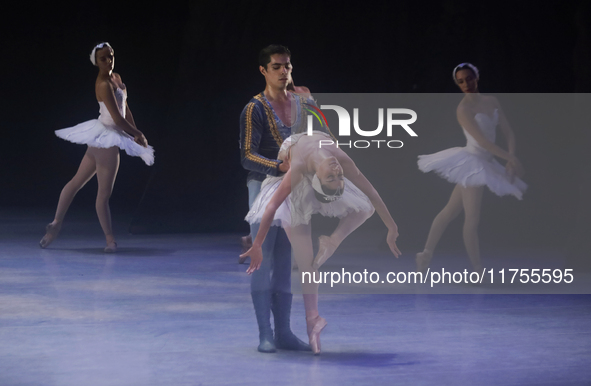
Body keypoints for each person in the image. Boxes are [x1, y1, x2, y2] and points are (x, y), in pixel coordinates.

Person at [240, 131, 401, 354]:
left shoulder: (303, 167)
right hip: (296, 177)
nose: (337, 171)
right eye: (338, 177)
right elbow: (371, 191)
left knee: (312, 261)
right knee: (307, 261)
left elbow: (272, 206)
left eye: (333, 177)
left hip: (295, 176)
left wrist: (391, 227)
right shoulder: (340, 160)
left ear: (317, 177)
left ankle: (331, 248)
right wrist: (392, 226)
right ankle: (312, 320)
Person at [239, 44, 327, 353]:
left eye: (287, 66)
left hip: (295, 188)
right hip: (262, 185)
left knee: (286, 260)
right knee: (263, 259)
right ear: (264, 70)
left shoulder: (300, 101)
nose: (283, 71)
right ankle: (266, 333)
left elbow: (320, 135)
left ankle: (285, 332)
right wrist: (278, 165)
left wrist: (312, 104)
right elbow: (247, 156)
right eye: (277, 67)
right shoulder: (255, 108)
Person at [39, 42, 153, 253]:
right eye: (103, 58)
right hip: (106, 139)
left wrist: (136, 132)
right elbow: (117, 119)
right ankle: (110, 241)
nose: (108, 61)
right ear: (96, 61)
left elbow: (125, 109)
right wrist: (137, 134)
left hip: (102, 137)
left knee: (76, 182)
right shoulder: (103, 84)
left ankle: (55, 224)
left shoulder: (116, 78)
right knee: (102, 196)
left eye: (111, 56)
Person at [416, 63, 526, 274]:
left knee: (449, 211)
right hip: (472, 163)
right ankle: (477, 269)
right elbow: (484, 142)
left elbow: (508, 132)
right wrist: (510, 158)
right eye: (461, 81)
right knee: (472, 218)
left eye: (469, 78)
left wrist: (511, 158)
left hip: (487, 161)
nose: (466, 84)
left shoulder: (492, 101)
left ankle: (425, 254)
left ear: (477, 77)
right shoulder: (463, 109)